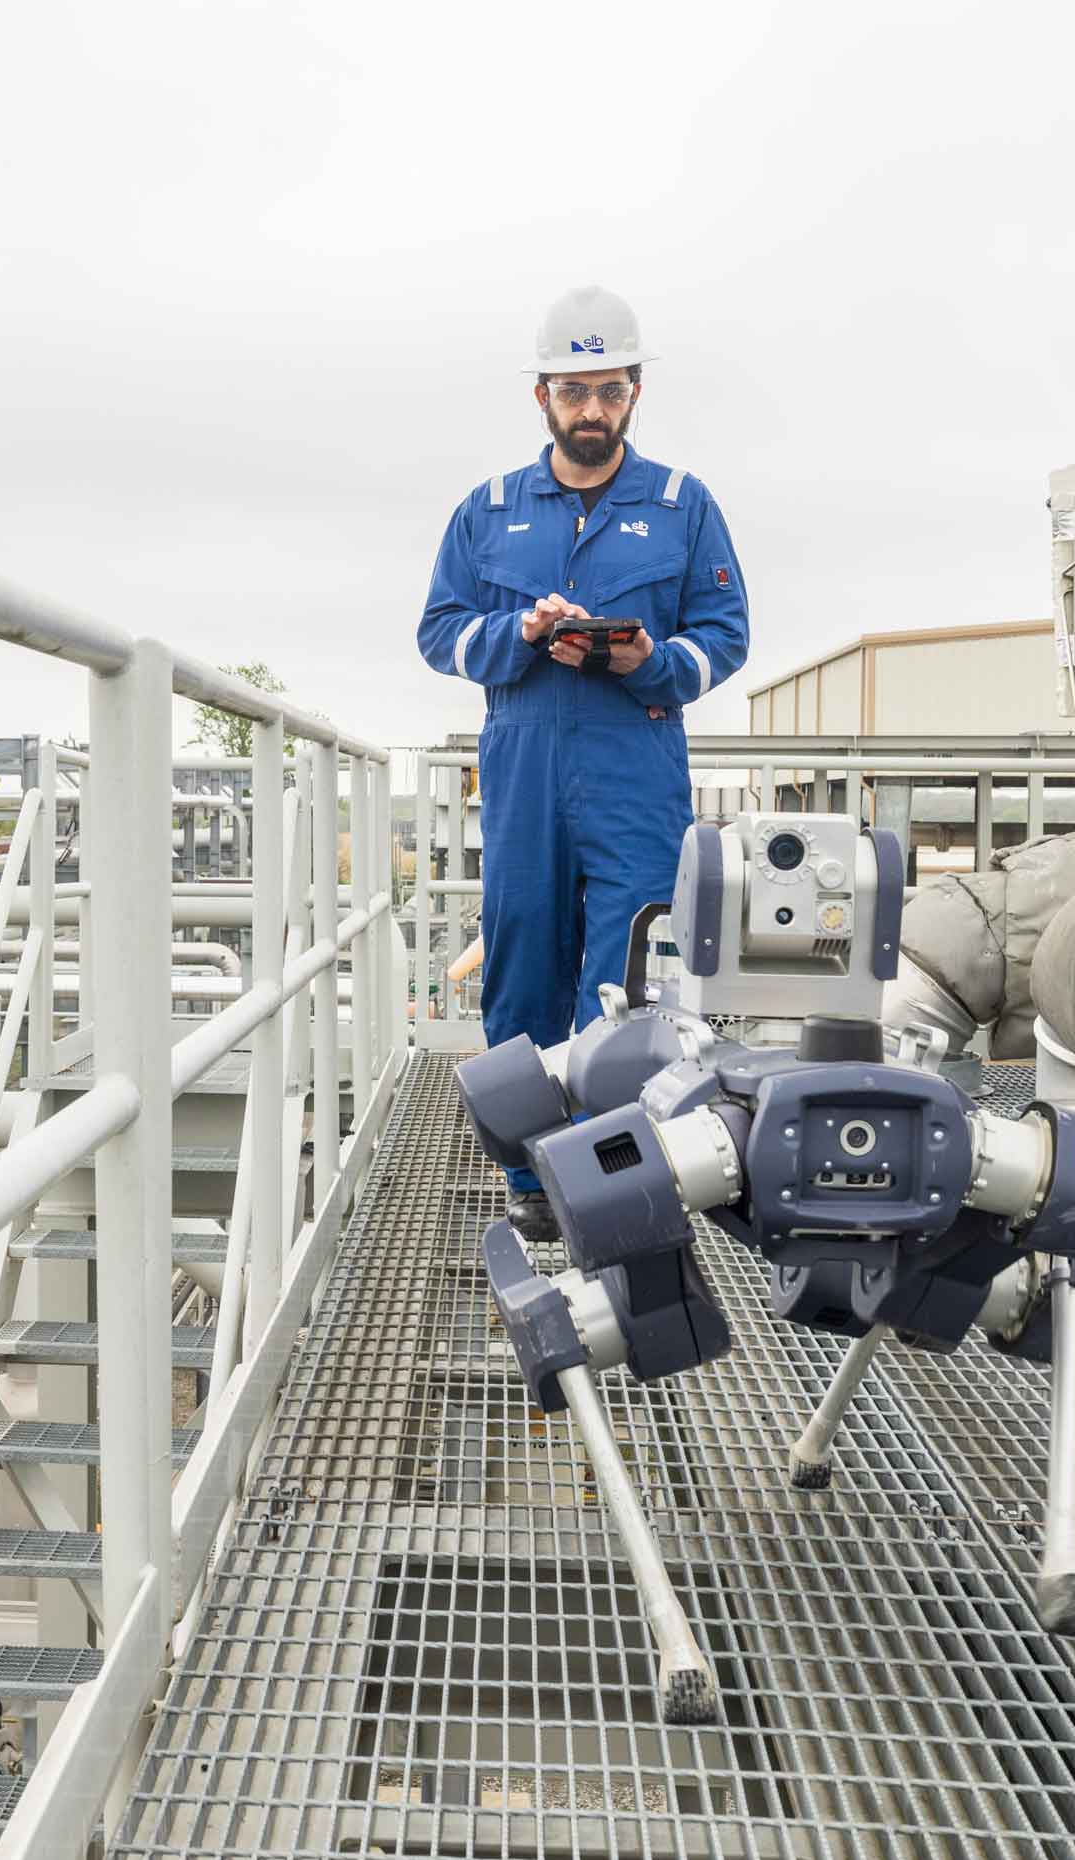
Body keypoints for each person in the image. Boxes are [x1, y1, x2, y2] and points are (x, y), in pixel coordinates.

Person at [418, 284, 751, 1239]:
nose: (592, 410)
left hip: (633, 762)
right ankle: (529, 1188)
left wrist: (651, 659)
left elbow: (724, 637)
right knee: (523, 963)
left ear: (635, 392)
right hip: (521, 764)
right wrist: (517, 632)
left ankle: (608, 1183)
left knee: (628, 978)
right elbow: (439, 632)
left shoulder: (684, 507)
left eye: (609, 390)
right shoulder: (486, 512)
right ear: (543, 397)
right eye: (575, 391)